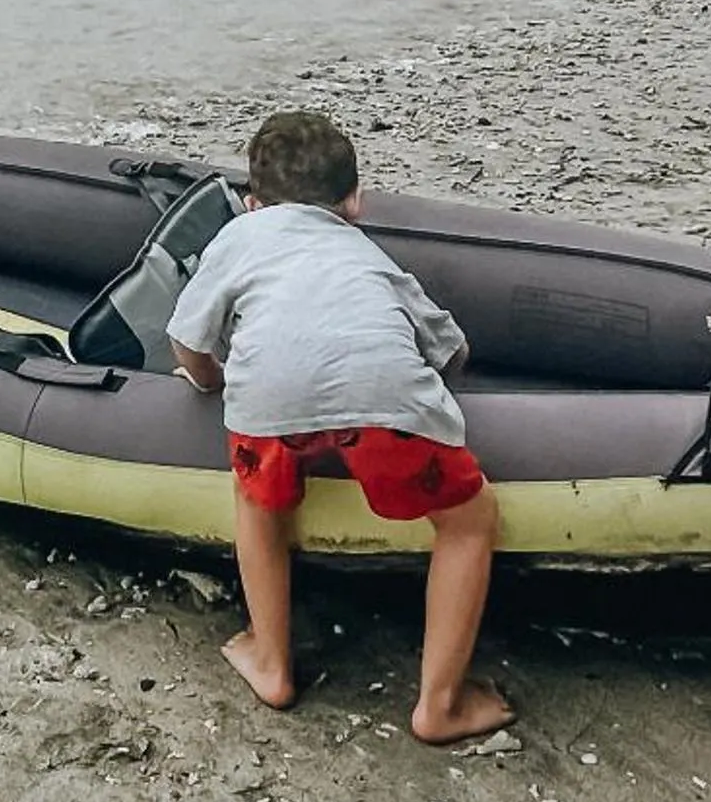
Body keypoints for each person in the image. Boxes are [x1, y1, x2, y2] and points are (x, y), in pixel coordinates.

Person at [167, 108, 511, 744]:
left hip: (268, 410)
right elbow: (448, 348)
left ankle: (272, 662)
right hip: (383, 404)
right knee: (469, 521)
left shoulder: (238, 239)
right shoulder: (368, 254)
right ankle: (440, 705)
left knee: (257, 503)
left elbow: (186, 338)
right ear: (355, 199)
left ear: (251, 204)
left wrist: (210, 381)